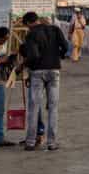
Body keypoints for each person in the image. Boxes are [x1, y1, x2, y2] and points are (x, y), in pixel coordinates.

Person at [20, 11, 69, 151]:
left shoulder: (31, 34)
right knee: (53, 108)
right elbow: (65, 47)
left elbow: (33, 55)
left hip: (37, 72)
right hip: (54, 70)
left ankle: (30, 142)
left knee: (34, 107)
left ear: (29, 23)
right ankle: (51, 143)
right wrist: (57, 56)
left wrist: (25, 65)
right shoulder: (55, 29)